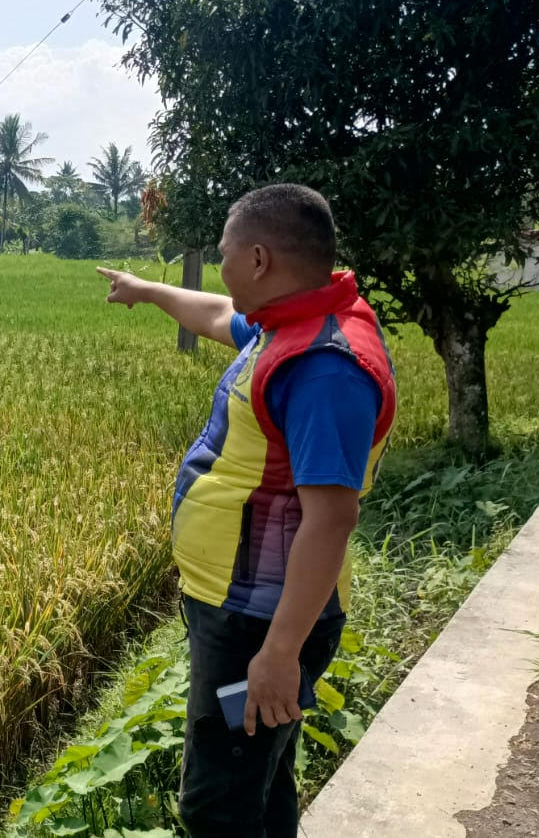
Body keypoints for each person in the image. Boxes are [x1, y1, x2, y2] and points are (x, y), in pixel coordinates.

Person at [97, 184, 397, 837]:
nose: (221, 269)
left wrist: (280, 653)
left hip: (260, 627)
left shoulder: (324, 370)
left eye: (226, 254)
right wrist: (148, 291)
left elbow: (331, 520)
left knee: (219, 805)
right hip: (240, 614)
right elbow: (211, 314)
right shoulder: (291, 325)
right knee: (259, 781)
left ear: (258, 259)